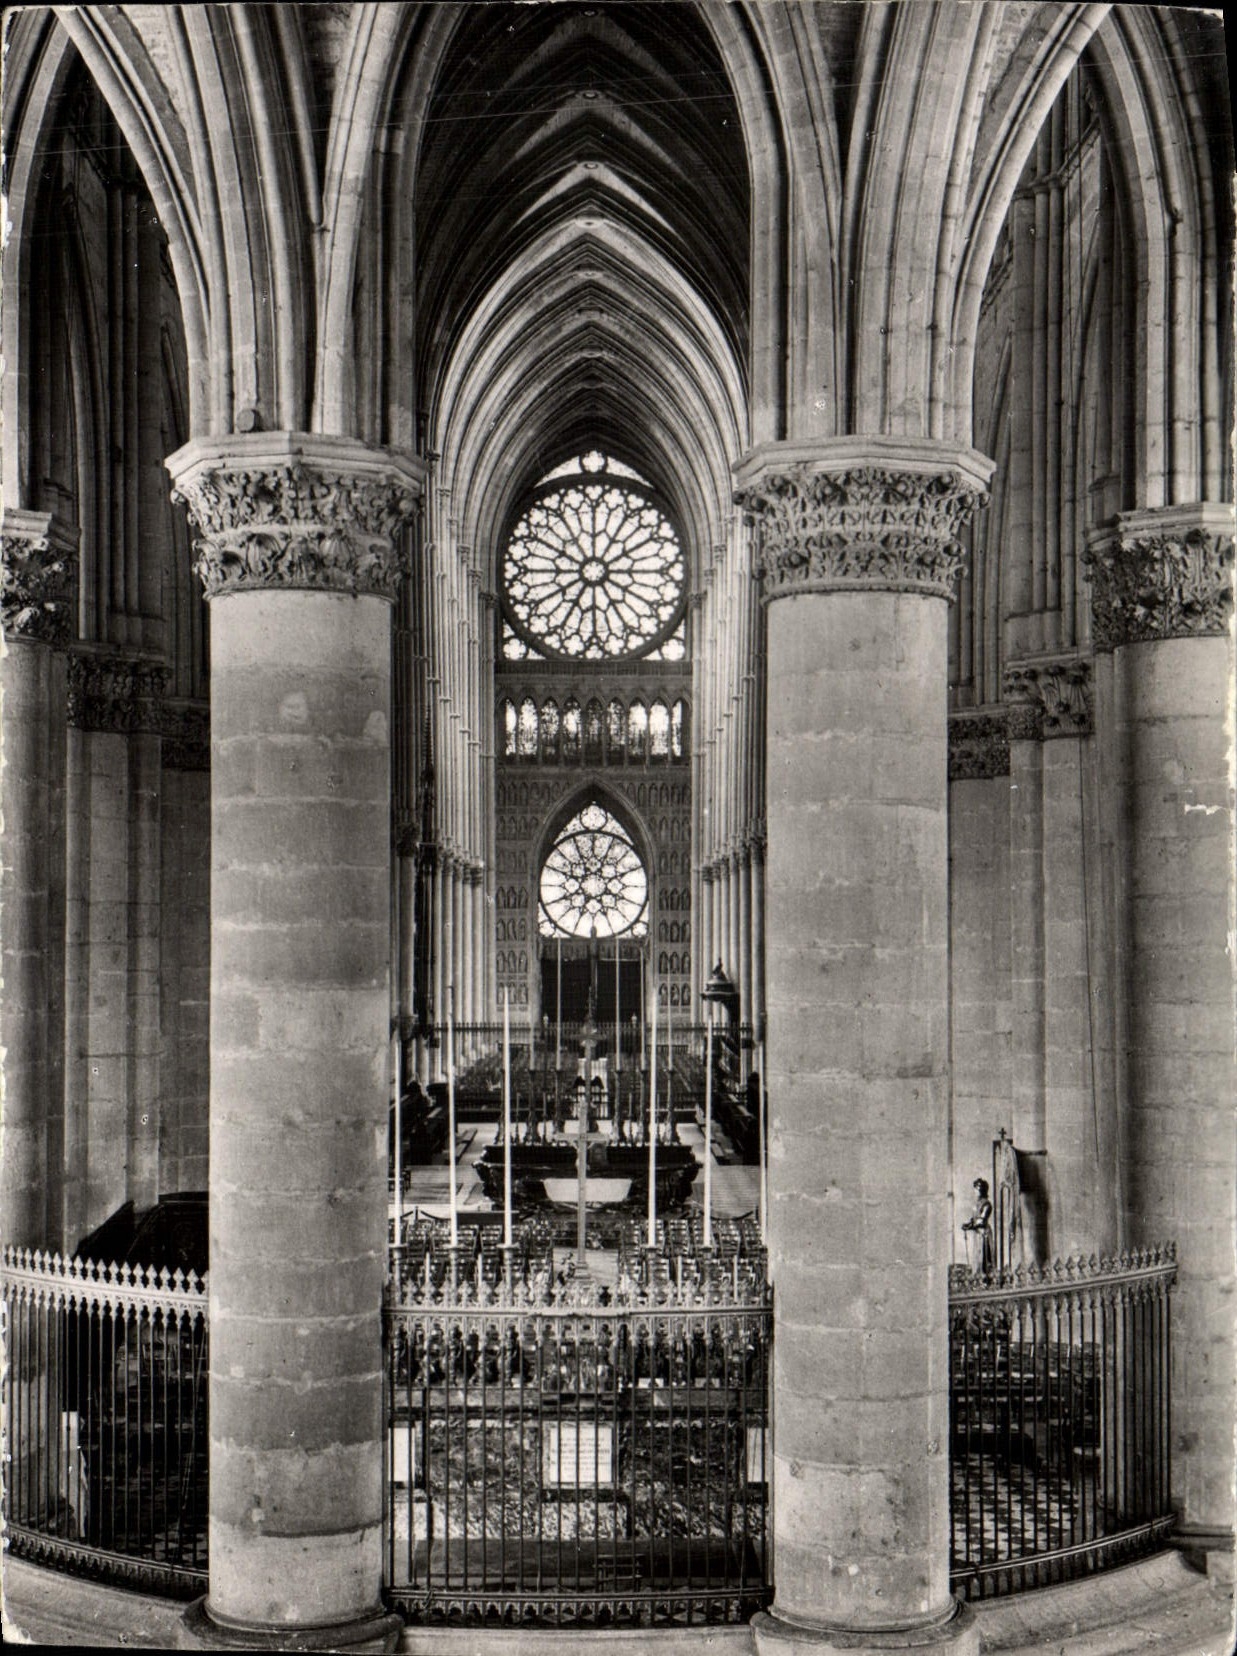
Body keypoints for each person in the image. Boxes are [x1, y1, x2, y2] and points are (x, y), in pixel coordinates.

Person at [962, 1177, 995, 1273]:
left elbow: (982, 1220)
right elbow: (974, 1219)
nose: (975, 1192)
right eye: (975, 1189)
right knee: (977, 1255)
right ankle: (978, 1276)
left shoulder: (987, 1204)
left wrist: (971, 1226)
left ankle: (986, 1278)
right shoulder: (976, 1204)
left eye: (976, 1190)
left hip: (984, 1233)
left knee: (985, 1255)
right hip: (977, 1234)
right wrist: (968, 1224)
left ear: (981, 1190)